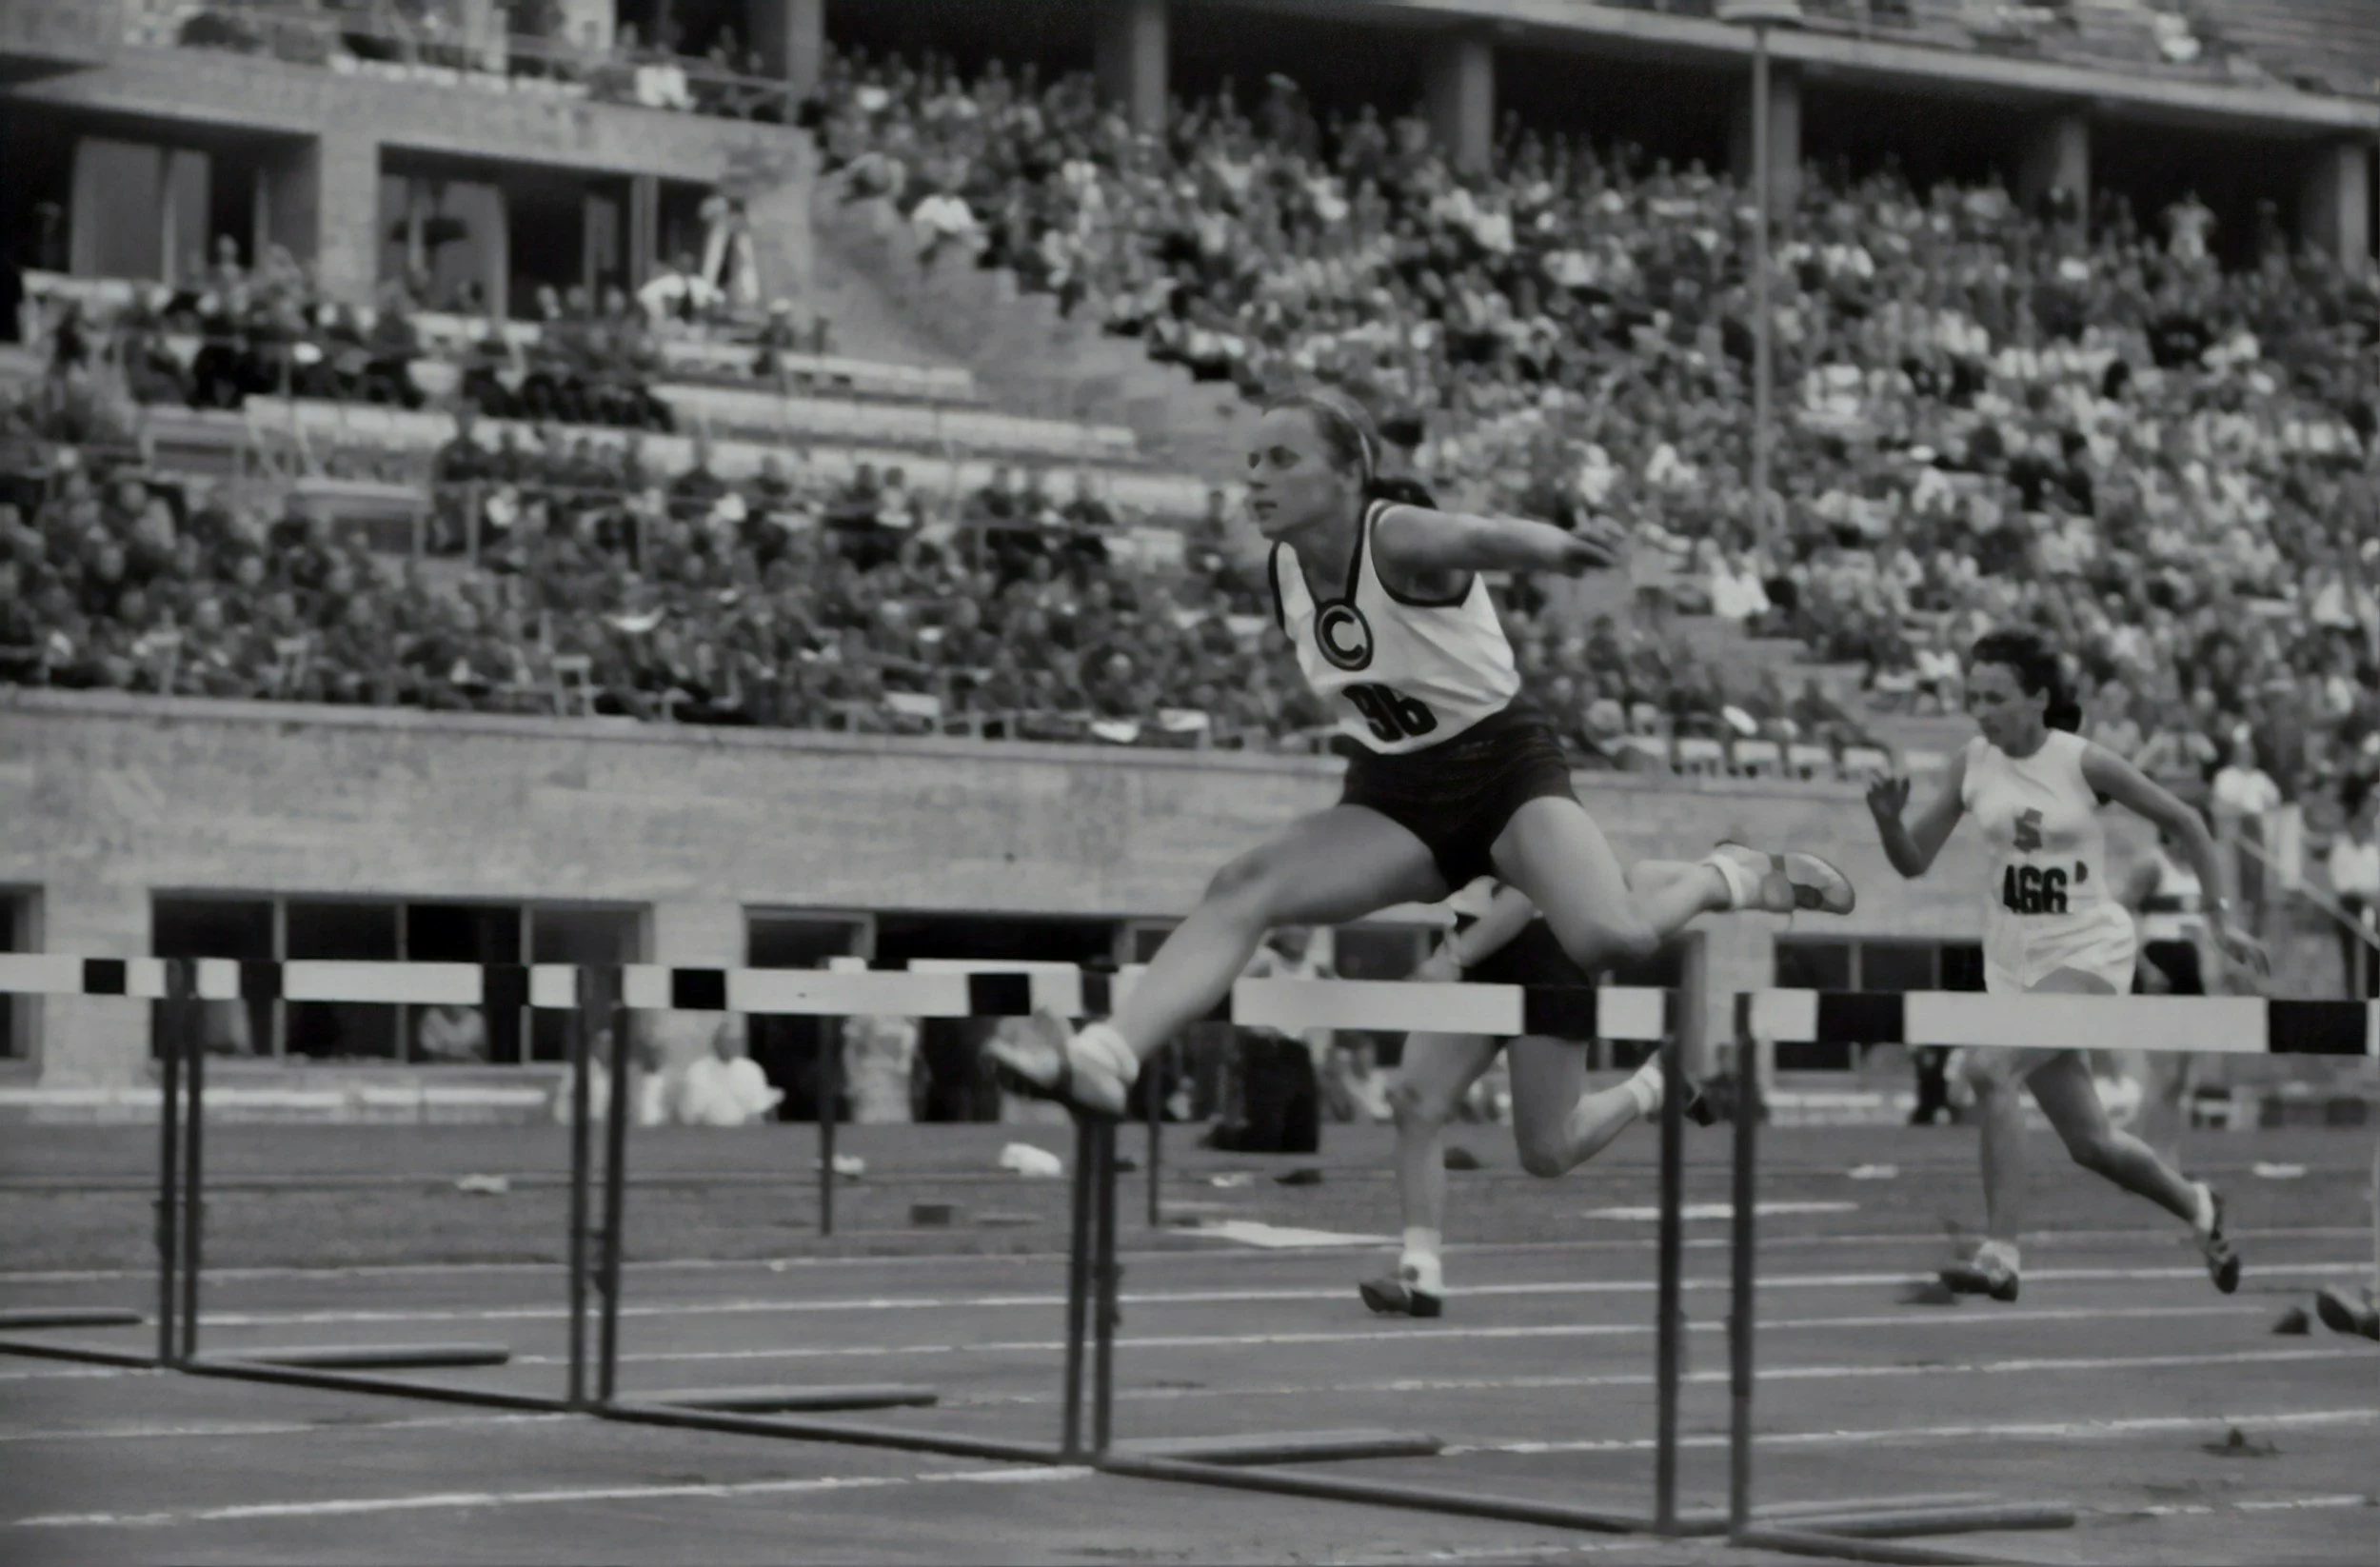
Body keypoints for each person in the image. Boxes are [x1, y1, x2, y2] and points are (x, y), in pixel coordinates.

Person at [989, 391, 1854, 1127]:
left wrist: (1561, 547)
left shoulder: (1393, 536)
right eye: (1250, 461)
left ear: (1347, 474)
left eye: (1281, 459)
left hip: (1504, 773)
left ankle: (1722, 876)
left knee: (1610, 937)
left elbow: (1476, 537)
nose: (1255, 478)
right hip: (1396, 794)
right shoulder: (1285, 571)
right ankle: (1107, 1056)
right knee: (1243, 886)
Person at [1865, 628, 2266, 1304]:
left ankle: (2001, 1255)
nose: (1982, 712)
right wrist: (1887, 823)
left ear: (2038, 698)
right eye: (1973, 697)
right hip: (2014, 963)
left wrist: (2219, 918)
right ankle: (2200, 1206)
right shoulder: (1971, 764)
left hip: (2087, 951)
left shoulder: (2083, 762)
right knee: (2092, 1143)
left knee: (1988, 1069)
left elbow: (2189, 822)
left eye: (1996, 697)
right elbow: (1913, 861)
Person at [1359, 879, 1708, 1319]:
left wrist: (1453, 957)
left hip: (1542, 951)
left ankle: (1654, 1084)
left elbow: (1528, 890)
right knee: (1413, 1100)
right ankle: (1420, 1271)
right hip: (1476, 938)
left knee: (1548, 1153)